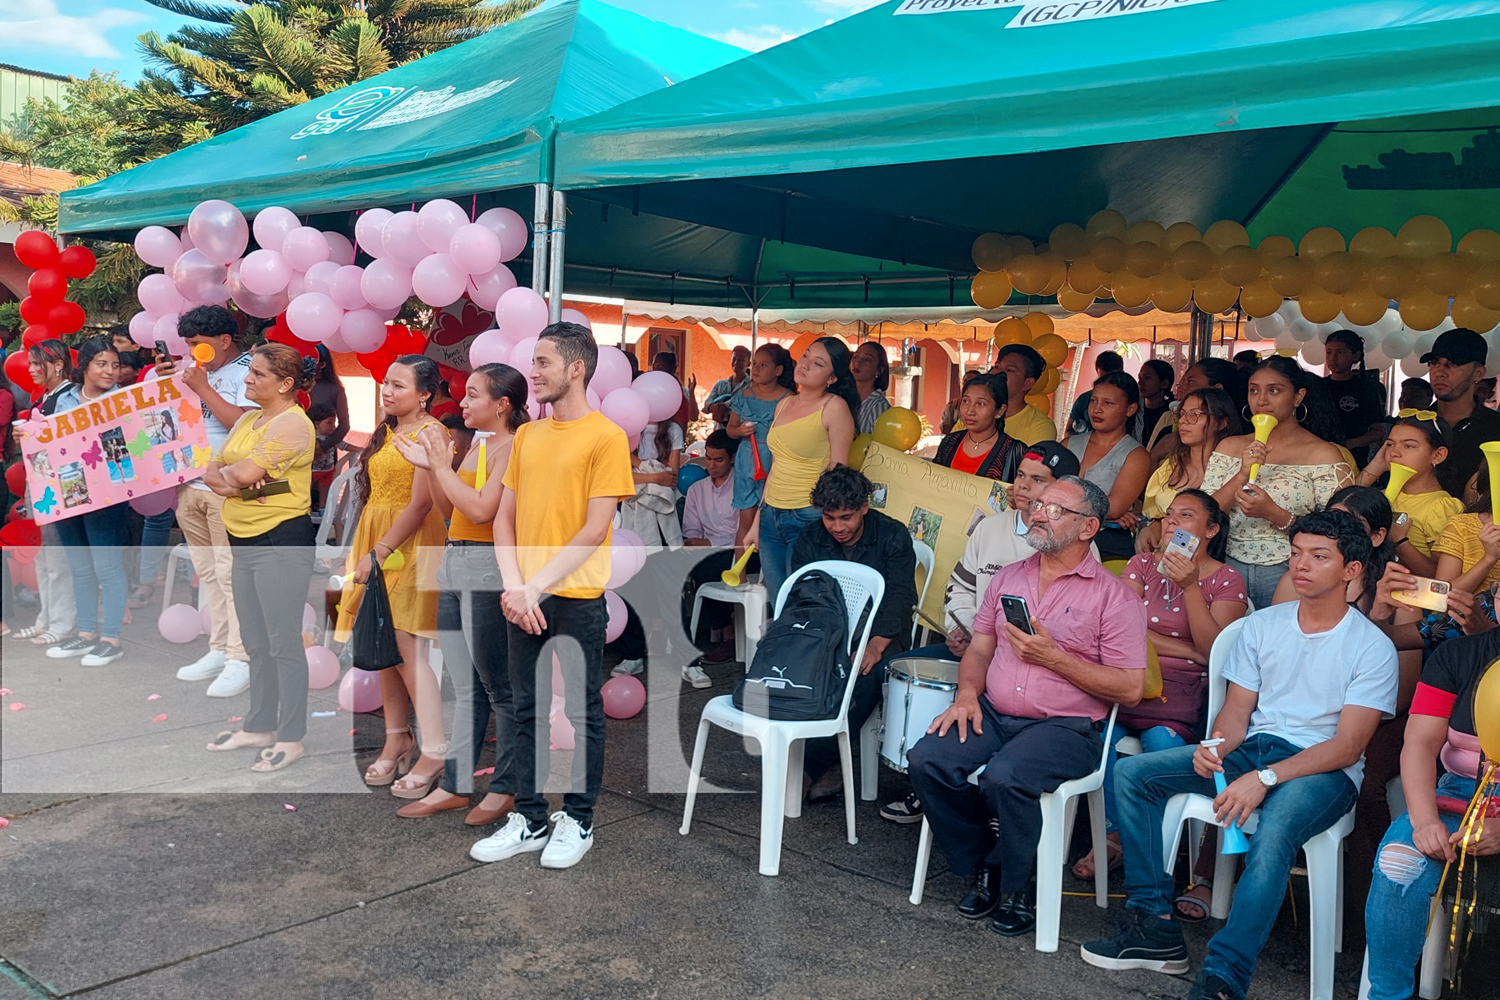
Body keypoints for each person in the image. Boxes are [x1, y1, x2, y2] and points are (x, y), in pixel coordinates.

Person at [1081, 510, 1398, 1000]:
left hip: (1323, 769)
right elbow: (1236, 712)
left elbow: (1347, 746)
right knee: (1133, 774)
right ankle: (1154, 926)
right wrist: (1215, 746)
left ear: (1352, 570)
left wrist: (1265, 778)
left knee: (1274, 832)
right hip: (1256, 750)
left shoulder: (1371, 648)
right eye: (1295, 555)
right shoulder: (1263, 626)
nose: (1301, 566)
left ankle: (1225, 975)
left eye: (1319, 557)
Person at [907, 476, 1147, 936]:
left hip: (1067, 727)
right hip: (995, 712)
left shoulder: (1113, 598)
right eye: (1038, 505)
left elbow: (1130, 689)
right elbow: (979, 650)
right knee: (927, 760)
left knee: (1005, 777)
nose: (1038, 513)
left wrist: (1056, 659)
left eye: (1056, 509)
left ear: (1088, 527)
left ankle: (1018, 886)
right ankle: (988, 861)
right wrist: (966, 696)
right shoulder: (1008, 577)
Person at [474, 321, 635, 870]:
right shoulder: (528, 436)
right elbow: (504, 520)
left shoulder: (606, 437)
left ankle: (580, 819)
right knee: (525, 708)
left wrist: (535, 587)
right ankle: (530, 816)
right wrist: (516, 586)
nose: (532, 373)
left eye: (542, 362)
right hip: (524, 596)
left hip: (576, 597)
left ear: (576, 368)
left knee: (585, 711)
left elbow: (594, 528)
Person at [880, 442, 1087, 826]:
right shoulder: (991, 527)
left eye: (1038, 480)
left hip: (1020, 661)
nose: (1024, 486)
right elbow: (957, 588)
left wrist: (984, 639)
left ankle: (989, 797)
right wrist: (963, 627)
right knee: (898, 669)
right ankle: (928, 784)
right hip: (974, 646)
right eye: (1021, 475)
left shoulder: (1062, 545)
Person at [1073, 489, 1248, 882]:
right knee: (1095, 739)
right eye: (1169, 515)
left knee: (1162, 747)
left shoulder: (1226, 579)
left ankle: (1154, 854)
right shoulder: (1141, 565)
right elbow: (1119, 632)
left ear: (1211, 529)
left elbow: (1216, 651)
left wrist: (1189, 587)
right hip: (1126, 683)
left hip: (1179, 696)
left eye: (1185, 516)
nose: (1171, 523)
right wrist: (1189, 650)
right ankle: (1117, 838)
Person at [390, 363, 527, 825]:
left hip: (486, 566)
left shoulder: (513, 447)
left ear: (502, 404)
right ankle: (455, 783)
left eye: (472, 396)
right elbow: (450, 511)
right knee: (464, 685)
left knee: (497, 687)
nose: (462, 403)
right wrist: (431, 467)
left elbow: (482, 510)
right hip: (454, 560)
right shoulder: (478, 446)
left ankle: (505, 787)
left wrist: (438, 464)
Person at [1360, 593, 1499, 1000]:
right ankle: (1387, 993)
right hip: (1460, 791)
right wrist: (1423, 822)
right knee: (1399, 861)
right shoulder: (1457, 656)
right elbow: (1419, 742)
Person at [334, 355, 451, 799]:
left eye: (399, 386)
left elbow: (421, 504)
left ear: (425, 393)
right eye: (385, 383)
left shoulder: (431, 433)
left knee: (406, 645)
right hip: (378, 537)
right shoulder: (390, 429)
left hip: (412, 544)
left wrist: (379, 553)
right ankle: (396, 736)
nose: (387, 391)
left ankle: (436, 748)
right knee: (382, 637)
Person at [200, 343, 317, 771]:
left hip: (280, 542)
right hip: (243, 538)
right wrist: (232, 480)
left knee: (283, 642)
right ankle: (259, 724)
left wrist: (234, 480)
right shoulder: (250, 419)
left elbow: (238, 476)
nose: (247, 380)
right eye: (250, 373)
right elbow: (214, 471)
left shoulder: (293, 425)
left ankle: (291, 736)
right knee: (255, 642)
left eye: (258, 375)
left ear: (285, 384)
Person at [790, 466, 918, 802]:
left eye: (845, 517)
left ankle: (812, 765)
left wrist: (875, 645)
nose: (837, 527)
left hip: (881, 630)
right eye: (829, 518)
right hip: (829, 626)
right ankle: (818, 759)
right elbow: (803, 594)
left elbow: (900, 597)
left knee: (863, 672)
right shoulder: (810, 536)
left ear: (864, 506)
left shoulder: (892, 534)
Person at [1201, 355, 1352, 609]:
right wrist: (1241, 474)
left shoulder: (1323, 454)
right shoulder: (1230, 446)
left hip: (1291, 570)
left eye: (1274, 391)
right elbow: (1203, 514)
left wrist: (1277, 515)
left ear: (1298, 396)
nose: (1261, 400)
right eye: (1254, 390)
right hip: (1226, 563)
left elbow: (1342, 529)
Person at [157, 306, 255, 697]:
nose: (192, 351)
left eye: (198, 344)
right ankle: (219, 648)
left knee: (233, 576)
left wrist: (201, 387)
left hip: (227, 487)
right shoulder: (201, 372)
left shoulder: (249, 371)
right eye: (189, 345)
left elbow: (243, 425)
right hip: (191, 484)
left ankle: (240, 657)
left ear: (225, 341)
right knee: (209, 573)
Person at [36, 339, 129, 666]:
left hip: (107, 495)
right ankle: (87, 633)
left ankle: (111, 639)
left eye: (115, 365)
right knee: (79, 566)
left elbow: (126, 452)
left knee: (107, 567)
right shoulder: (66, 398)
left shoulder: (122, 400)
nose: (110, 371)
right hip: (68, 492)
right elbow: (50, 440)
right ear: (85, 366)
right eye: (102, 364)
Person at [749, 337, 858, 601]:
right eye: (806, 356)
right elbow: (776, 464)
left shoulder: (835, 408)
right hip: (770, 514)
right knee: (778, 600)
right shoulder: (784, 403)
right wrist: (756, 520)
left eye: (818, 363)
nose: (805, 365)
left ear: (832, 378)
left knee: (803, 601)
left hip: (807, 515)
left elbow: (838, 473)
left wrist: (829, 521)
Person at [8, 340, 76, 648]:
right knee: (44, 557)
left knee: (58, 557)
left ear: (59, 364)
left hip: (59, 486)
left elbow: (70, 439)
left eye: (38, 364)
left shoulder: (70, 397)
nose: (32, 370)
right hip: (40, 484)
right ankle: (46, 617)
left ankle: (63, 622)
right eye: (30, 364)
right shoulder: (45, 397)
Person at [1353, 412, 1463, 577]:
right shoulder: (1381, 495)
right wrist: (1376, 465)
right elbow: (1340, 509)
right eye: (1390, 444)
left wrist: (1400, 541)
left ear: (1438, 455)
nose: (1394, 452)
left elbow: (1440, 577)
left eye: (1408, 446)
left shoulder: (1440, 506)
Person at [1137, 387, 1237, 554]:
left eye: (1195, 414)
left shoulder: (1231, 470)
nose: (1183, 421)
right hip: (1163, 556)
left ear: (1222, 422)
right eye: (1182, 414)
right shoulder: (1171, 465)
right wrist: (1151, 527)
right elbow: (1156, 515)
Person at [1066, 371, 1150, 560]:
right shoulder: (1068, 444)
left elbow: (1114, 507)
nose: (1097, 409)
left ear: (1130, 409)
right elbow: (1045, 489)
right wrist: (1102, 512)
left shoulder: (1136, 455)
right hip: (1061, 536)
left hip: (1105, 545)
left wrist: (1109, 513)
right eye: (1093, 401)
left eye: (1108, 403)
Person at [680, 430, 741, 679]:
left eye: (719, 460)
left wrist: (709, 542)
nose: (711, 465)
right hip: (708, 551)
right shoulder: (696, 490)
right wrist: (696, 542)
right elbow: (691, 529)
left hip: (740, 552)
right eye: (708, 458)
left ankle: (727, 634)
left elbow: (743, 532)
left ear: (733, 458)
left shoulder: (743, 486)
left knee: (706, 567)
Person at [726, 344, 795, 546]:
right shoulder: (743, 395)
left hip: (775, 460)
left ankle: (767, 576)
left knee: (770, 520)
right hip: (747, 459)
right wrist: (740, 431)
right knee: (745, 519)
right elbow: (730, 429)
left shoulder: (789, 398)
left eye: (763, 365)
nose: (755, 369)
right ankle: (738, 575)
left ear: (778, 370)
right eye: (754, 364)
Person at [1423, 328, 1500, 499]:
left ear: (1478, 373)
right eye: (1435, 363)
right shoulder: (1413, 424)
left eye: (1453, 364)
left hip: (1480, 524)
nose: (1440, 372)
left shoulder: (1495, 428)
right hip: (1412, 523)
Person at [1149, 358, 1247, 465]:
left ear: (1217, 389)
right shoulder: (1168, 426)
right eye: (1182, 413)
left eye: (1190, 382)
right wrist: (1156, 453)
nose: (1181, 387)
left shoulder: (1237, 456)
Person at [932, 373, 1027, 481]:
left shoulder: (1014, 451)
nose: (970, 411)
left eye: (981, 404)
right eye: (966, 401)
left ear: (1000, 410)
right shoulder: (950, 442)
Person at [1322, 330, 1388, 467]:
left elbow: (1378, 431)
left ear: (1355, 356)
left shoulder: (1366, 389)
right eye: (1329, 352)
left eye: (1340, 352)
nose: (1332, 358)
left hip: (1354, 459)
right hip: (1319, 455)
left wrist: (1349, 444)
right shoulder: (1317, 386)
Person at [993, 344, 1057, 445]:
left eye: (1009, 370)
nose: (998, 373)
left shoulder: (1040, 426)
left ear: (1027, 383)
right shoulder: (975, 414)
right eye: (996, 366)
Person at [1068, 350, 1124, 435]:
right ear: (1097, 371)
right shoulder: (1084, 399)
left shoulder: (1129, 399)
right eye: (1094, 401)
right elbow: (1068, 431)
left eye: (1109, 403)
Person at [309, 344, 350, 455]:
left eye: (314, 360)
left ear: (322, 364)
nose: (308, 362)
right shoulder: (295, 387)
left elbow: (344, 425)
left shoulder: (335, 390)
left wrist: (323, 446)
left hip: (324, 454)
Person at [850, 341, 893, 435]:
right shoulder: (845, 399)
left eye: (867, 359)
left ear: (879, 370)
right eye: (855, 357)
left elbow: (880, 446)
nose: (857, 362)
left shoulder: (879, 407)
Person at [704, 346, 751, 427]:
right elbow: (707, 404)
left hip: (740, 433)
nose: (736, 362)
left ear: (748, 364)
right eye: (734, 359)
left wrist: (724, 406)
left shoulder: (752, 385)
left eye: (741, 360)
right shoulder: (720, 384)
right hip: (719, 430)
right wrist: (715, 408)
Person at [652, 351, 699, 429]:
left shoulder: (682, 392)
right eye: (654, 367)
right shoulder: (650, 390)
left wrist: (691, 393)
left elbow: (694, 417)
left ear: (673, 369)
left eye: (661, 367)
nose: (656, 370)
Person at [1137, 359, 1176, 450]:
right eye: (1139, 378)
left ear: (1164, 384)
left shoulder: (1172, 414)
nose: (1140, 383)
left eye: (1147, 378)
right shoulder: (1135, 411)